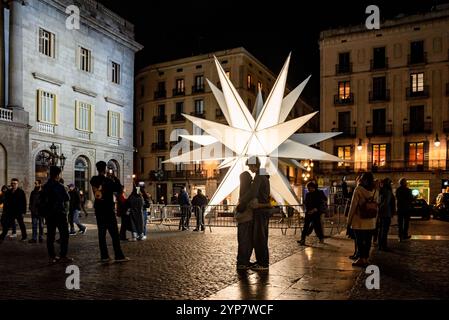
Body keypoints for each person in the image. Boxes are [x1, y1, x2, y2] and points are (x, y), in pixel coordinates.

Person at [90, 161, 129, 263]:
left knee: (101, 234)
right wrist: (114, 177)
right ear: (105, 169)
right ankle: (118, 255)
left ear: (97, 169)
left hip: (99, 209)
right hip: (108, 209)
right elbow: (119, 189)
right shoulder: (109, 181)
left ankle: (104, 256)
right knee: (115, 234)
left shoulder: (93, 180)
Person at [238, 157, 271, 271]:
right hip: (264, 211)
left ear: (254, 165)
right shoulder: (264, 175)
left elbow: (253, 192)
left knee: (259, 238)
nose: (249, 168)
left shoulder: (259, 176)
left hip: (260, 211)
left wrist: (242, 201)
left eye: (250, 166)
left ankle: (263, 263)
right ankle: (262, 261)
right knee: (262, 236)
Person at [40, 166, 72, 263]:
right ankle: (63, 255)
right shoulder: (60, 186)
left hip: (49, 215)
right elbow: (67, 198)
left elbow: (42, 200)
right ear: (58, 175)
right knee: (64, 235)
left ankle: (52, 256)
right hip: (60, 214)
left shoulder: (45, 186)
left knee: (50, 236)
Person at [347, 172, 377, 267]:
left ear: (363, 179)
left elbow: (353, 206)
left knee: (359, 241)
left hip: (359, 221)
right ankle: (366, 258)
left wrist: (349, 220)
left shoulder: (358, 189)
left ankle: (361, 259)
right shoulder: (375, 190)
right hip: (371, 221)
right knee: (368, 241)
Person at [235, 170, 255, 270]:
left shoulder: (242, 190)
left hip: (242, 221)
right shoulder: (249, 191)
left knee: (242, 241)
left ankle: (242, 261)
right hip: (247, 219)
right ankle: (243, 262)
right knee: (246, 242)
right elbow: (252, 204)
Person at [297, 181, 326, 245]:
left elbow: (322, 202)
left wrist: (316, 209)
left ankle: (321, 238)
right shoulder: (308, 194)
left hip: (316, 213)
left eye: (310, 188)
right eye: (308, 188)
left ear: (313, 187)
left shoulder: (319, 193)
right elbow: (306, 203)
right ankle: (302, 239)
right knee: (305, 227)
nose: (308, 189)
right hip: (309, 213)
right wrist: (308, 210)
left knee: (317, 227)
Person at [378, 178, 395, 251]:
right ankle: (384, 246)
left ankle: (380, 245)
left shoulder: (381, 191)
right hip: (386, 213)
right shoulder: (388, 192)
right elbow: (386, 203)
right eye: (390, 183)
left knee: (381, 230)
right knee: (384, 230)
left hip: (381, 213)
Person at [396, 178, 413, 242]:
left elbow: (397, 198)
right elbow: (411, 199)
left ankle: (400, 236)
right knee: (406, 223)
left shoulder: (398, 190)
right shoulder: (408, 190)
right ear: (405, 183)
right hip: (406, 208)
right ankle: (405, 235)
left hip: (400, 208)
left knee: (400, 223)